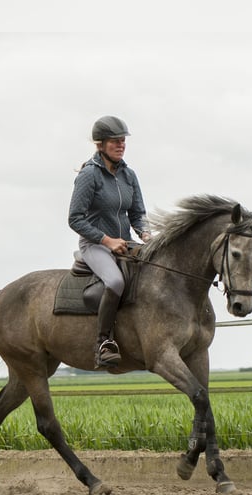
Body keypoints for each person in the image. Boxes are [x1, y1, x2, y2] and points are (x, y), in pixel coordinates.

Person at [68, 116, 151, 369]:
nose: (121, 145)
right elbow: (74, 219)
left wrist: (147, 236)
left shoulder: (129, 175)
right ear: (100, 144)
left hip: (125, 243)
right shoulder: (89, 175)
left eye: (123, 140)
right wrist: (106, 240)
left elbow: (137, 214)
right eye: (115, 141)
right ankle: (104, 343)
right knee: (115, 281)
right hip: (94, 245)